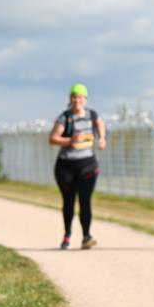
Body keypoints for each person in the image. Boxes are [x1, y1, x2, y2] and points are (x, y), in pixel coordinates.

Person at [48, 83, 106, 250]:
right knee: (69, 201)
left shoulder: (92, 115)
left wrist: (102, 138)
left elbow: (101, 124)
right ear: (70, 99)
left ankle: (86, 236)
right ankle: (67, 234)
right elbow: (52, 139)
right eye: (74, 97)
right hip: (66, 165)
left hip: (87, 164)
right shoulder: (65, 118)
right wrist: (70, 140)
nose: (77, 100)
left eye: (80, 97)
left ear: (85, 99)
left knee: (85, 200)